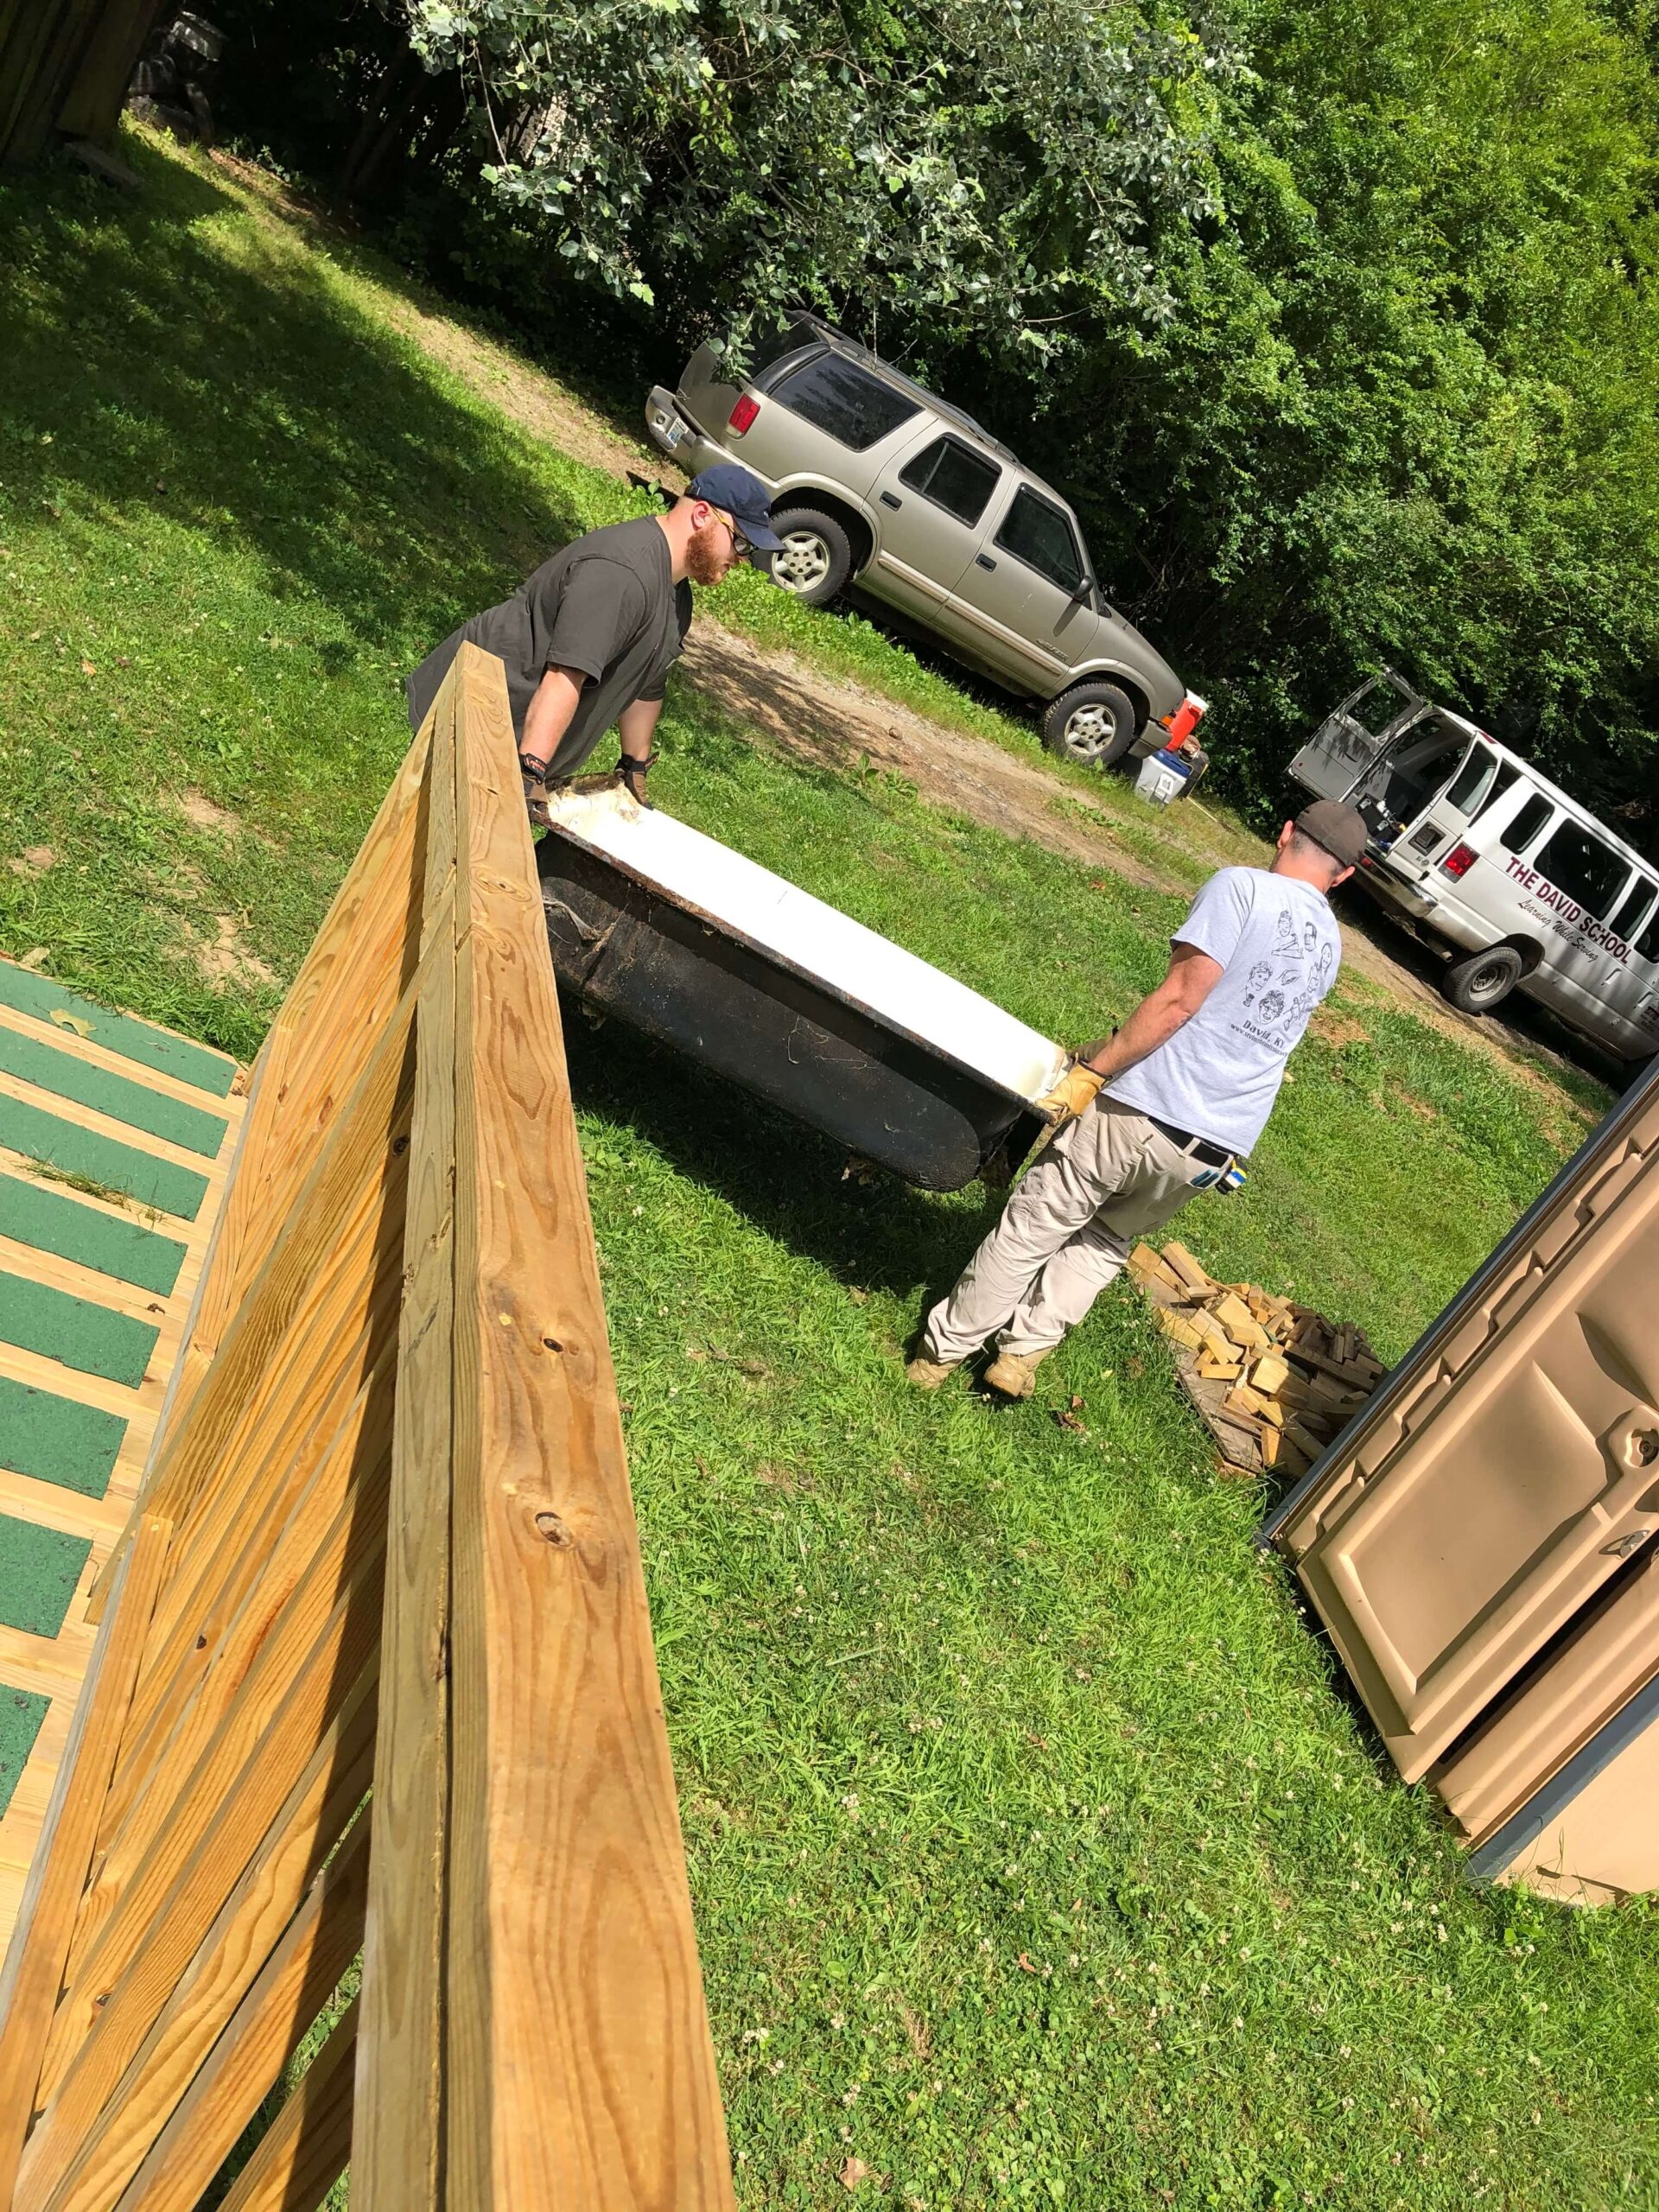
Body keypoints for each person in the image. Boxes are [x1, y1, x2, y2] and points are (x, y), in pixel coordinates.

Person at [906, 798, 1370, 1399]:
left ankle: (938, 1358)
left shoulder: (1243, 889)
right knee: (1105, 1240)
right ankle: (1018, 1361)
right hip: (1216, 1145)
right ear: (1344, 875)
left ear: (1286, 833)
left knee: (1037, 1224)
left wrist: (1094, 1071)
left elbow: (1179, 1002)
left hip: (1147, 1107)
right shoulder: (1329, 943)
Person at [404, 463, 784, 811]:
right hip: (475, 719)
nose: (742, 559)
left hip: (512, 742)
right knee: (431, 851)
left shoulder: (676, 594)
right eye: (741, 542)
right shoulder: (623, 574)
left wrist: (633, 768)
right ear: (702, 515)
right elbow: (564, 675)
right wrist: (528, 774)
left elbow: (647, 684)